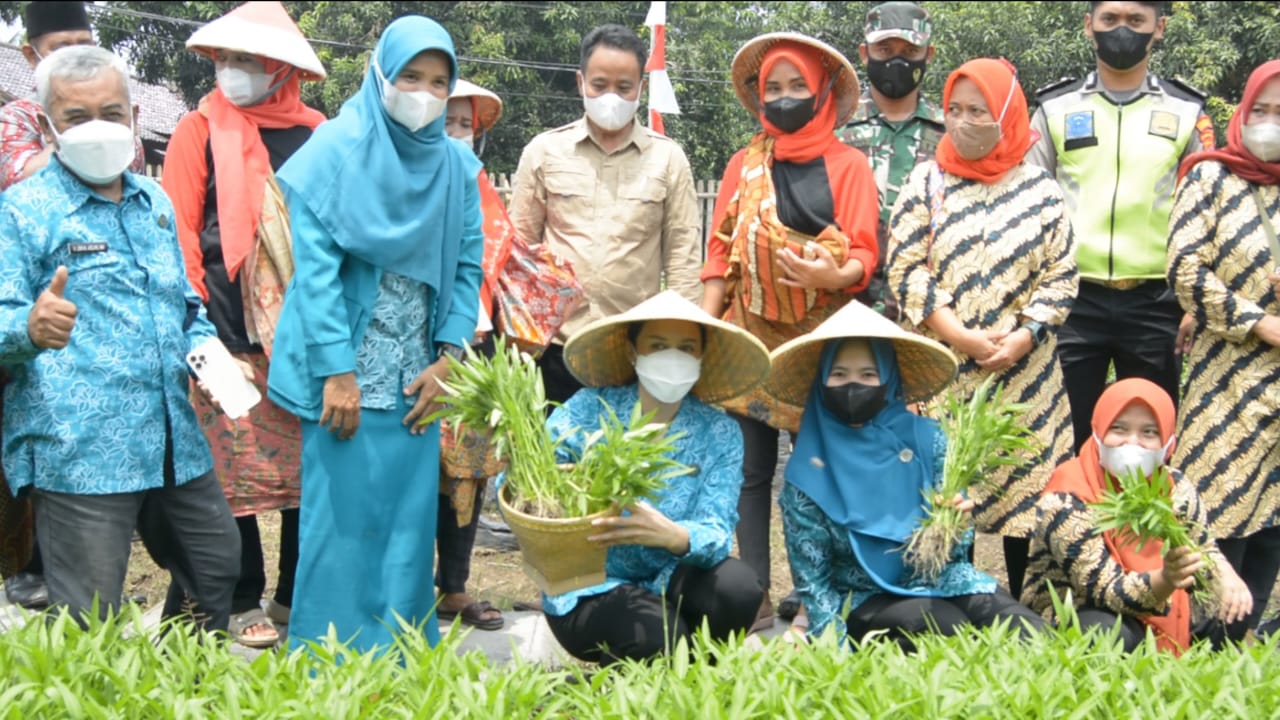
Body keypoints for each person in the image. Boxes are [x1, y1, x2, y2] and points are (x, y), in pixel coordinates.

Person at [0, 45, 240, 629]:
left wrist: (214, 364)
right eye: (77, 117)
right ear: (49, 123)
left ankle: (186, 687)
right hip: (81, 448)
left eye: (111, 112)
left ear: (134, 118)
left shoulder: (153, 202)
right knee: (90, 614)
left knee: (215, 567)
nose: (97, 128)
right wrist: (27, 328)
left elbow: (184, 305)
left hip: (170, 441)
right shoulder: (23, 211)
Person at [267, 16, 483, 655]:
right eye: (411, 76)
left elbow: (469, 265)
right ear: (381, 74)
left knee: (406, 531)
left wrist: (450, 357)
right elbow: (315, 277)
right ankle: (325, 664)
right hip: (345, 378)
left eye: (439, 82)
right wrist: (338, 371)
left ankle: (399, 663)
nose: (424, 91)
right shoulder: (333, 152)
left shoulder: (454, 166)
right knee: (340, 528)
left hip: (418, 380)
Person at [158, 0, 327, 649]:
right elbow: (176, 234)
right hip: (220, 330)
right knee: (233, 473)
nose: (233, 71)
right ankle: (242, 596)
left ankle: (294, 594)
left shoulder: (318, 133)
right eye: (225, 58)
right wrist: (193, 331)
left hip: (304, 335)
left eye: (248, 60)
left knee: (309, 472)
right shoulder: (198, 129)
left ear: (280, 67)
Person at [699, 32, 878, 631]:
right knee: (748, 472)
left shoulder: (849, 165)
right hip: (748, 335)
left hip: (818, 341)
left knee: (816, 472)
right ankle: (749, 595)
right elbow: (719, 253)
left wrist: (832, 272)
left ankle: (813, 595)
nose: (783, 97)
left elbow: (862, 254)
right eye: (772, 87)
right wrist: (707, 326)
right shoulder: (743, 165)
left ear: (822, 90)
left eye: (796, 85)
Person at [885, 58, 1078, 599]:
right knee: (950, 488)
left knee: (1029, 498)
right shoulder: (927, 180)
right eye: (955, 109)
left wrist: (1026, 334)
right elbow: (904, 266)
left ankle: (1030, 611)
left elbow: (1062, 273)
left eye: (979, 110)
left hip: (1026, 377)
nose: (964, 121)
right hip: (944, 370)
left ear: (1008, 114)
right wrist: (959, 336)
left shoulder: (1040, 188)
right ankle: (950, 603)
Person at [767, 300, 1048, 650]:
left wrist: (957, 527)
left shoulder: (931, 441)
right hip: (862, 596)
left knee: (1027, 630)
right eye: (839, 374)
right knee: (944, 627)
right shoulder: (808, 470)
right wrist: (833, 651)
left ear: (889, 380)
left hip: (940, 581)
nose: (853, 385)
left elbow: (954, 556)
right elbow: (814, 583)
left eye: (868, 375)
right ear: (821, 383)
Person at [0, 0, 145, 612]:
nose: (73, 53)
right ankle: (22, 565)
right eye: (59, 44)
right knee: (31, 438)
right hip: (27, 301)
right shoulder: (15, 119)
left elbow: (128, 184)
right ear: (31, 53)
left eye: (84, 41)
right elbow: (27, 175)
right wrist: (82, 140)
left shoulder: (114, 132)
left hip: (104, 322)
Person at [540, 290, 770, 665]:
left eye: (686, 347)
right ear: (634, 351)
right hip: (588, 586)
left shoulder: (719, 432)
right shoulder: (589, 410)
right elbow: (527, 487)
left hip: (669, 575)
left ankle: (692, 679)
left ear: (701, 355)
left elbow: (716, 527)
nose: (673, 357)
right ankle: (637, 674)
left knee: (739, 589)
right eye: (658, 345)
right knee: (661, 634)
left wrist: (676, 537)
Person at [1027, 1, 1215, 451]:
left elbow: (1209, 208)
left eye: (1136, 21)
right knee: (1064, 432)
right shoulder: (1054, 108)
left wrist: (1195, 303)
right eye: (1110, 19)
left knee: (1149, 437)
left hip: (1157, 301)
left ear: (1159, 28)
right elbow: (1029, 203)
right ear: (1089, 26)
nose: (1122, 31)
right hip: (1072, 299)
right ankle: (1068, 520)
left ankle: (1141, 524)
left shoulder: (1187, 111)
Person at [508, 23, 702, 406]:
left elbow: (682, 260)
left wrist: (681, 350)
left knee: (627, 463)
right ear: (581, 83)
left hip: (633, 353)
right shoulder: (544, 152)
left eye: (623, 87)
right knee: (551, 462)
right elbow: (519, 254)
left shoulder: (668, 159)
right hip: (555, 351)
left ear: (640, 89)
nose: (610, 96)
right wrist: (517, 343)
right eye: (599, 85)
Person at [1166, 59, 1280, 641]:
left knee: (1272, 522)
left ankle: (1242, 644)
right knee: (1218, 506)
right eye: (1260, 109)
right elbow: (1184, 268)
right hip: (1229, 376)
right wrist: (1259, 323)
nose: (1268, 123)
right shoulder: (1211, 177)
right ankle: (1196, 640)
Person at [1021, 379, 1253, 653]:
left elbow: (1201, 545)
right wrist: (1166, 579)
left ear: (1168, 444)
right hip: (1080, 607)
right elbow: (1105, 590)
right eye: (1118, 429)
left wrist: (1225, 575)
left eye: (1149, 432)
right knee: (1112, 635)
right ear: (1098, 431)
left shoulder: (1175, 486)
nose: (1132, 442)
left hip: (1161, 599)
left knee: (1232, 609)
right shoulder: (1066, 496)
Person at [433, 78, 512, 632]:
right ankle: (409, 583)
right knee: (418, 473)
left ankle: (454, 587)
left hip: (477, 347)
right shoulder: (401, 180)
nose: (458, 135)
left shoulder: (482, 188)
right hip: (416, 348)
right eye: (447, 122)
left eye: (466, 126)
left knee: (468, 474)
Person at [837, 1, 945, 321]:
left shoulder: (949, 135)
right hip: (845, 306)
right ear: (864, 52)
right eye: (884, 49)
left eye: (910, 51)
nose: (896, 60)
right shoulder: (834, 128)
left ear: (929, 55)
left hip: (928, 312)